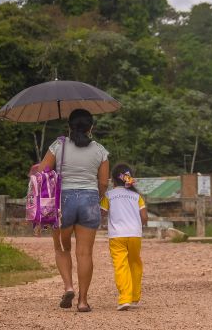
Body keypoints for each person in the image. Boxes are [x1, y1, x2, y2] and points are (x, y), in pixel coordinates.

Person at [31, 108, 109, 312]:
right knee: (85, 253)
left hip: (63, 201)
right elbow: (103, 183)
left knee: (62, 248)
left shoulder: (59, 145)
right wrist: (96, 198)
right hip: (89, 199)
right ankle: (83, 301)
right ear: (91, 127)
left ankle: (68, 287)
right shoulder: (100, 150)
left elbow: (42, 172)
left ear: (69, 126)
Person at [101, 164, 148, 311]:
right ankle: (134, 297)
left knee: (121, 265)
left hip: (117, 236)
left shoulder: (109, 195)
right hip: (135, 235)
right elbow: (144, 217)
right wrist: (137, 225)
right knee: (135, 264)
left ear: (113, 180)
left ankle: (125, 299)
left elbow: (102, 213)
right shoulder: (137, 196)